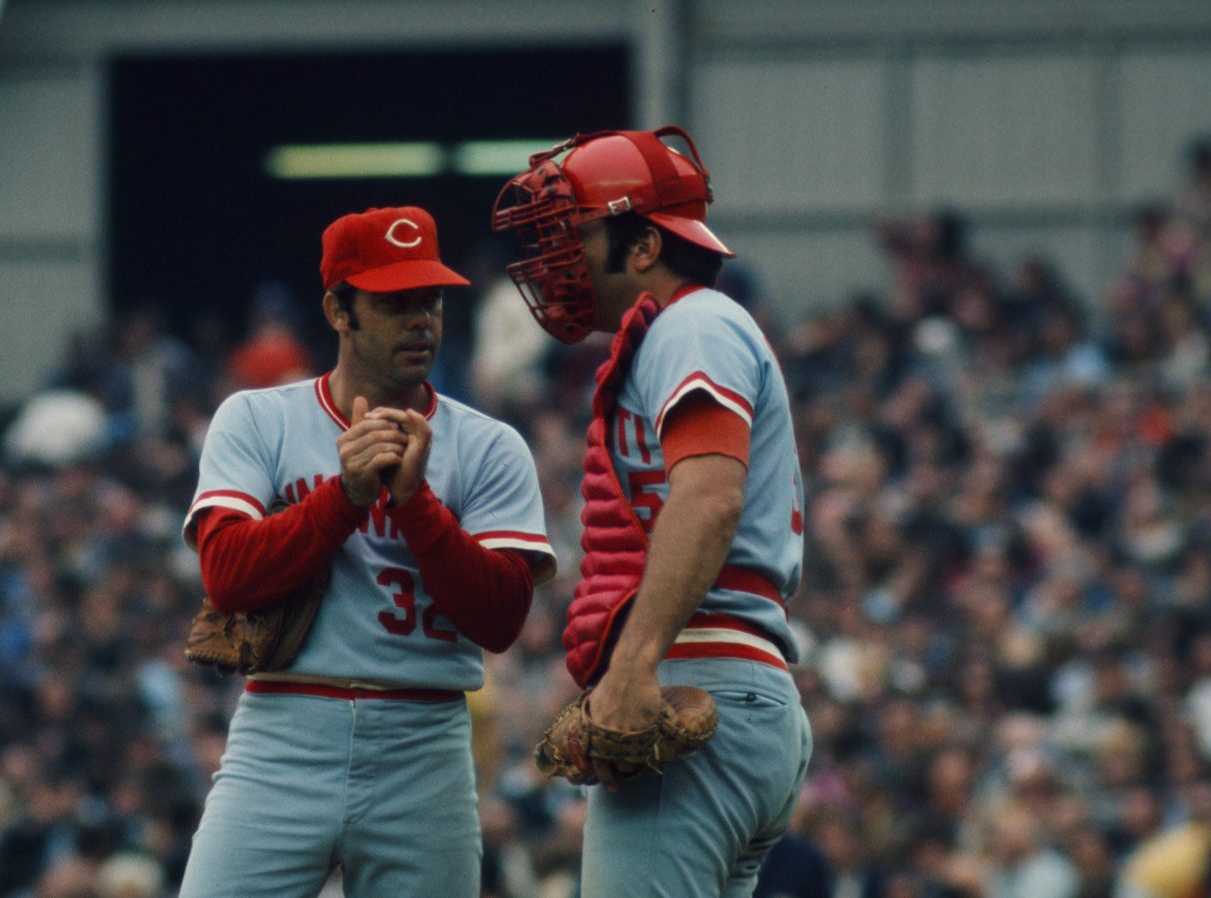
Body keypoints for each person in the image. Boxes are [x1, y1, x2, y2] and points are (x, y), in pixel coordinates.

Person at [176, 205, 556, 898]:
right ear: (338, 310)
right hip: (285, 729)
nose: (420, 320)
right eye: (394, 303)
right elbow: (225, 577)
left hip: (425, 739)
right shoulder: (259, 418)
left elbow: (501, 620)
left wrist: (415, 507)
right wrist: (342, 499)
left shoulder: (489, 445)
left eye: (430, 300)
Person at [492, 126, 812, 897]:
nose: (559, 252)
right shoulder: (690, 328)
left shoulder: (692, 322)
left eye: (578, 231)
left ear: (643, 248)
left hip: (699, 672)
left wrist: (634, 666)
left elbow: (709, 497)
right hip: (736, 681)